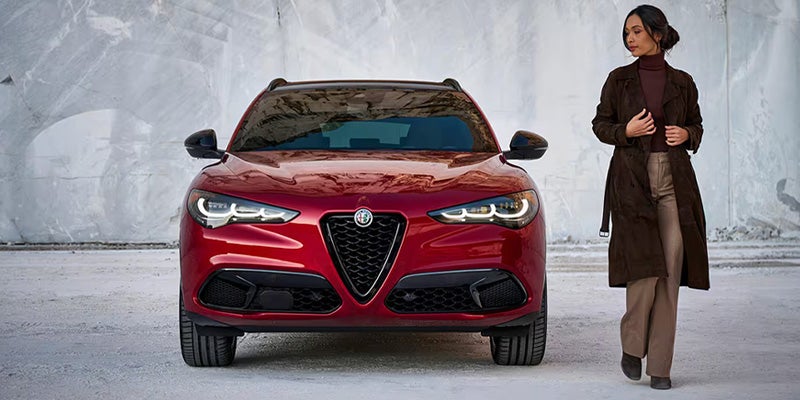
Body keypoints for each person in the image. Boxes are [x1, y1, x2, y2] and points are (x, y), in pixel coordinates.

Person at [591, 4, 710, 390]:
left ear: (658, 34)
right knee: (644, 272)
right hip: (632, 183)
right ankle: (632, 345)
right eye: (627, 32)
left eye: (637, 31)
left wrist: (687, 135)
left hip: (675, 182)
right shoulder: (618, 80)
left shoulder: (683, 82)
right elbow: (600, 125)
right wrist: (625, 131)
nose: (630, 38)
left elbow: (697, 124)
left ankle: (660, 368)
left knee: (670, 276)